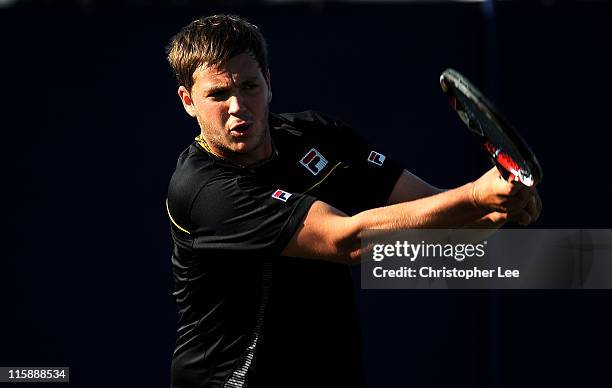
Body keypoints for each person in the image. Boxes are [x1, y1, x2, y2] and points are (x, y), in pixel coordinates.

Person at [165, 14, 541, 388]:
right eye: (218, 94)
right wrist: (476, 195)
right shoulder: (202, 189)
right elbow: (347, 240)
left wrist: (497, 208)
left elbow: (438, 219)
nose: (237, 106)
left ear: (269, 82)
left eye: (249, 86)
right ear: (188, 101)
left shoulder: (317, 134)